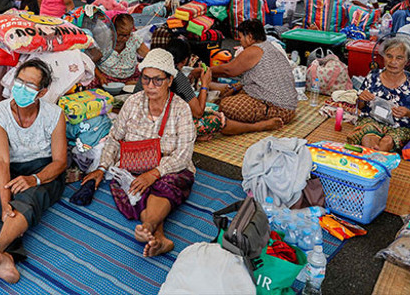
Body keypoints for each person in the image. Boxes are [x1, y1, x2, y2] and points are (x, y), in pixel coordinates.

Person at [83, 48, 196, 257]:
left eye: (157, 80)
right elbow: (115, 139)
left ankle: (148, 226)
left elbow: (183, 154)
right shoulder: (132, 103)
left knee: (164, 185)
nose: (150, 86)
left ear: (170, 80)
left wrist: (154, 173)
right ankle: (159, 237)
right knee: (134, 187)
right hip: (133, 167)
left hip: (170, 168)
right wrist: (101, 168)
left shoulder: (181, 109)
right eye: (145, 79)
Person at [0, 59, 66, 283]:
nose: (21, 89)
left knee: (28, 200)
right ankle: (4, 258)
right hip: (13, 168)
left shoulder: (54, 115)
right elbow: (1, 160)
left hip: (44, 170)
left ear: (42, 92)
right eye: (19, 82)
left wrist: (35, 179)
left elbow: (60, 162)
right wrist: (6, 202)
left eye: (30, 86)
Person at [135, 39, 284, 139]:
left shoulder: (147, 71)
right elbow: (198, 112)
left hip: (140, 123)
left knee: (207, 111)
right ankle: (258, 126)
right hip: (159, 129)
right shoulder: (177, 77)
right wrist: (205, 84)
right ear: (185, 60)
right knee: (216, 120)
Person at [196, 19, 297, 127]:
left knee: (225, 106)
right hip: (286, 105)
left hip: (279, 109)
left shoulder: (254, 50)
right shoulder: (269, 46)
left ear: (249, 36)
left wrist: (204, 70)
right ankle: (203, 85)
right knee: (232, 89)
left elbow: (228, 70)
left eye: (241, 37)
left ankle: (262, 125)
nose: (240, 42)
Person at [348, 37, 410, 153]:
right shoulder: (373, 76)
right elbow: (361, 107)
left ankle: (372, 161)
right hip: (372, 122)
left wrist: (408, 113)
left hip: (401, 127)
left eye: (399, 58)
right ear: (383, 57)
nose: (393, 61)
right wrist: (361, 99)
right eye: (389, 56)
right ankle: (374, 160)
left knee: (387, 142)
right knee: (368, 139)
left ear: (407, 61)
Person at [94, 14, 149, 85]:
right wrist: (100, 76)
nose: (125, 38)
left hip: (131, 77)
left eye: (128, 34)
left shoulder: (134, 39)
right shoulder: (104, 41)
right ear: (112, 30)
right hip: (107, 77)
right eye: (121, 34)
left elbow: (149, 56)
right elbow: (91, 62)